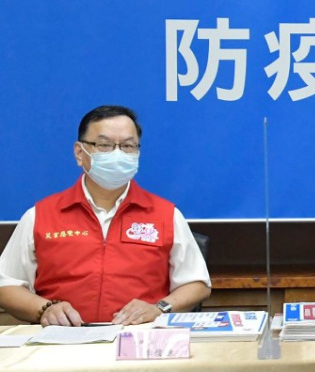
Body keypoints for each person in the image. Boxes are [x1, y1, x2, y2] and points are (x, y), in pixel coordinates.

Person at [0, 105, 211, 326]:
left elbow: (196, 284)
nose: (117, 154)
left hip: (141, 338)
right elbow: (6, 284)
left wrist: (159, 308)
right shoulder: (40, 215)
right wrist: (45, 309)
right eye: (104, 145)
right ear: (80, 153)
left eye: (128, 146)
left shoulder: (166, 215)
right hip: (62, 338)